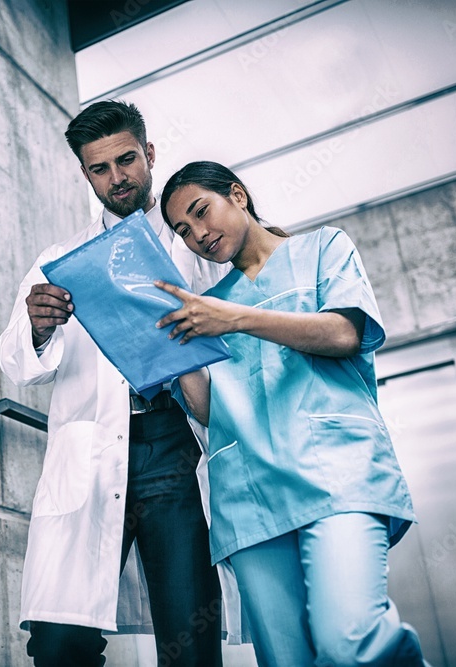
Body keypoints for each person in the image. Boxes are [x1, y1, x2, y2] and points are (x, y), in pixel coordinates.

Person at [153, 160, 428, 667]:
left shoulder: (323, 249)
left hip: (337, 476)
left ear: (237, 195)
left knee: (351, 639)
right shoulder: (209, 307)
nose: (198, 235)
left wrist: (236, 319)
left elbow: (345, 334)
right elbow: (210, 411)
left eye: (201, 212)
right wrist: (172, 351)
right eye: (184, 231)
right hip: (250, 497)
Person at [0, 103, 231, 666]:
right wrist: (36, 324)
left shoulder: (193, 245)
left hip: (174, 446)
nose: (117, 177)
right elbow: (16, 364)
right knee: (57, 644)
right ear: (86, 174)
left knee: (188, 635)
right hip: (91, 453)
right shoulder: (59, 260)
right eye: (100, 168)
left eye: (127, 160)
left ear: (149, 154)